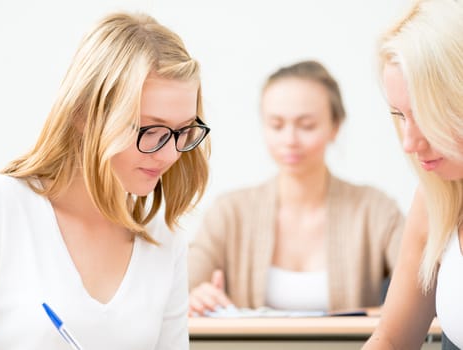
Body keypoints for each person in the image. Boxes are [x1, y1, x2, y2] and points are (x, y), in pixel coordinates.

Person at [0, 12, 210, 349]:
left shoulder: (161, 234)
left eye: (182, 131)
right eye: (150, 130)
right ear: (84, 115)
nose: (170, 154)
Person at [188, 60, 404, 316]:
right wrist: (195, 298)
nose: (290, 140)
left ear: (335, 126)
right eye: (276, 125)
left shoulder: (375, 209)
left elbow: (424, 290)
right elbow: (179, 292)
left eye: (306, 126)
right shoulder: (229, 212)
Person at [363, 0, 463, 348]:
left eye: (424, 112)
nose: (409, 142)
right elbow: (391, 340)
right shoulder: (438, 198)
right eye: (400, 115)